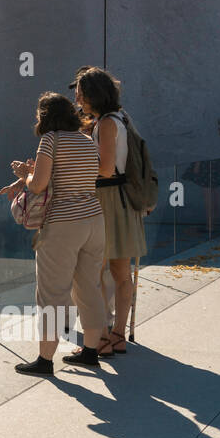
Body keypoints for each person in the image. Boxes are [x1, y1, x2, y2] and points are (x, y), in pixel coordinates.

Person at [0, 92, 107, 373]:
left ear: (45, 116)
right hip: (94, 219)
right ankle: (91, 352)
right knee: (89, 287)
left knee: (52, 293)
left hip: (63, 225)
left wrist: (25, 174)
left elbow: (38, 186)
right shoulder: (86, 140)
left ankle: (45, 359)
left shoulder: (51, 140)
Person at [73, 67, 147, 358]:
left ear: (93, 94)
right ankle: (117, 336)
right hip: (123, 200)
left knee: (94, 271)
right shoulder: (122, 118)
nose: (77, 97)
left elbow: (103, 168)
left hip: (105, 199)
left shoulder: (105, 123)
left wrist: (75, 172)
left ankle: (101, 337)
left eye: (80, 91)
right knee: (120, 271)